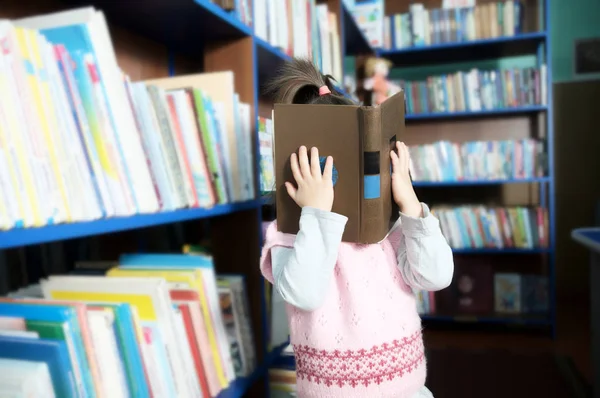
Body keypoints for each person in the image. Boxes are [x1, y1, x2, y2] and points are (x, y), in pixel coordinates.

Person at [260, 59, 454, 398]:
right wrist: (317, 213)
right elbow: (304, 293)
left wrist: (410, 205)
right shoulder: (288, 234)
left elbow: (437, 276)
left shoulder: (386, 228)